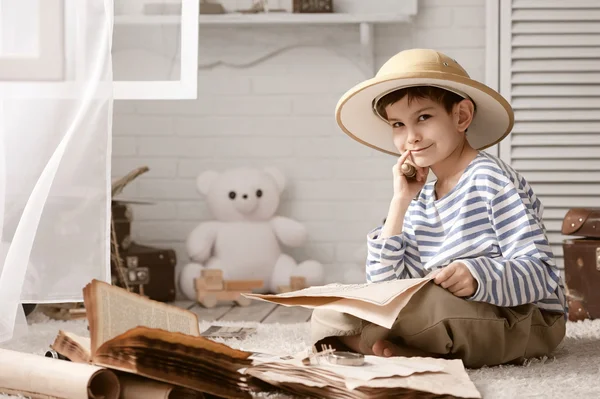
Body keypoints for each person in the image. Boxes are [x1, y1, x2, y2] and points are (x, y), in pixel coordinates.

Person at [311, 48, 567, 368]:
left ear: (461, 116)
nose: (411, 138)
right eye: (397, 124)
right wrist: (400, 202)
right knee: (328, 312)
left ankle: (372, 343)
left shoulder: (492, 180)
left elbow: (540, 275)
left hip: (525, 319)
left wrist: (478, 276)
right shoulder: (418, 197)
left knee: (433, 309)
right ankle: (410, 346)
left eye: (423, 117)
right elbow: (385, 288)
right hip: (448, 312)